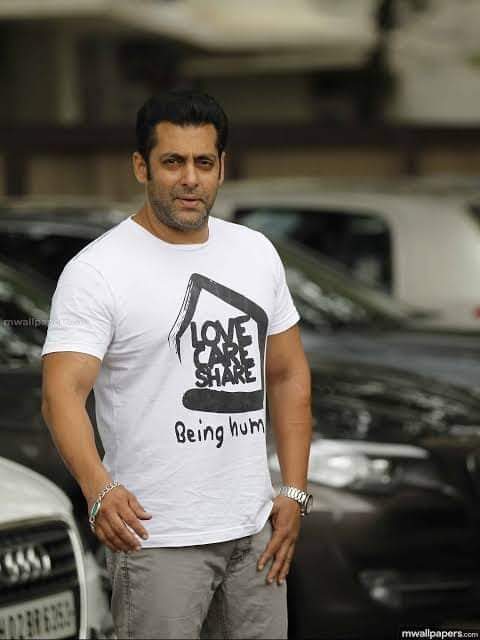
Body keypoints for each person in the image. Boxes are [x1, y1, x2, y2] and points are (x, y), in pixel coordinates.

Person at [41, 91, 312, 640]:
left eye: (203, 162)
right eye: (172, 162)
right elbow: (61, 394)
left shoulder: (256, 252)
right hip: (156, 538)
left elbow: (287, 374)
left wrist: (294, 490)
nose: (190, 179)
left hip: (254, 532)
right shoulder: (98, 270)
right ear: (141, 166)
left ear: (221, 168)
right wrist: (98, 489)